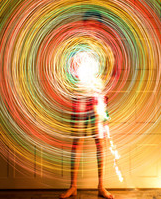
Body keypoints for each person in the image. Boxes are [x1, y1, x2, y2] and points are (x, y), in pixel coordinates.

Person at [59, 12, 114, 199]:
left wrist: (104, 92)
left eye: (92, 25)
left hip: (98, 99)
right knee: (78, 142)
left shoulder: (104, 49)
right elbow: (69, 71)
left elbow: (112, 73)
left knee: (100, 143)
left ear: (99, 26)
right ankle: (73, 186)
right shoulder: (77, 48)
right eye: (86, 25)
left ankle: (101, 186)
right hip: (80, 99)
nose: (89, 28)